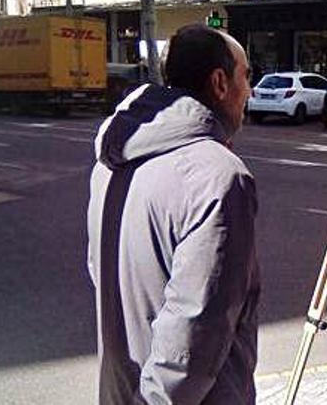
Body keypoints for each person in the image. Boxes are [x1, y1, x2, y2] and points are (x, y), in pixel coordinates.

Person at [87, 25, 258, 404]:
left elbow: (101, 274)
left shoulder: (109, 164)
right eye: (246, 75)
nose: (250, 90)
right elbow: (196, 330)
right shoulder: (220, 177)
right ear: (219, 82)